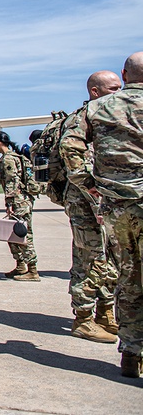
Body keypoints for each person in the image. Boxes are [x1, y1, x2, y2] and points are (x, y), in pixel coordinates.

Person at [60, 52, 143, 379]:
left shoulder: (97, 107)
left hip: (116, 205)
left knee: (127, 274)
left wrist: (90, 185)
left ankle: (131, 349)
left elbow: (70, 148)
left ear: (124, 75)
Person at [58, 70, 122, 344]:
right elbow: (72, 157)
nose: (119, 94)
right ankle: (83, 318)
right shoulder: (82, 118)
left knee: (112, 258)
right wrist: (93, 190)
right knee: (89, 257)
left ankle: (105, 312)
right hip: (86, 200)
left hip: (108, 201)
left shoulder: (113, 118)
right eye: (112, 89)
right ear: (95, 91)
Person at [0, 131, 39, 281]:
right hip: (21, 199)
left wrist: (10, 202)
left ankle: (33, 270)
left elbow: (12, 181)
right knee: (14, 235)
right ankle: (20, 266)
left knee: (23, 234)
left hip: (19, 201)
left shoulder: (8, 159)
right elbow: (4, 179)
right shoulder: (14, 157)